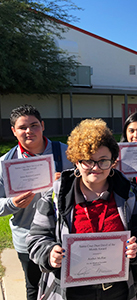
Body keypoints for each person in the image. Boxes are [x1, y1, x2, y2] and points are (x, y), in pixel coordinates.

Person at [27, 119, 137, 300]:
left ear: (113, 161)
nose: (95, 168)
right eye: (88, 161)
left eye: (103, 161)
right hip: (71, 292)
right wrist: (49, 253)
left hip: (117, 291)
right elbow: (36, 238)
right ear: (76, 161)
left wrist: (136, 250)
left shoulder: (129, 194)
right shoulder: (56, 195)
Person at [0, 104, 73, 300]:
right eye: (22, 127)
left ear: (42, 125)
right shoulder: (5, 163)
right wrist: (12, 204)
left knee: (65, 286)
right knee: (33, 287)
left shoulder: (65, 153)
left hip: (62, 236)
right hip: (27, 239)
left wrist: (66, 181)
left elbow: (88, 180)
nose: (29, 131)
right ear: (14, 131)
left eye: (34, 125)